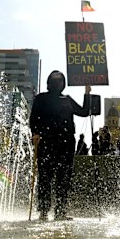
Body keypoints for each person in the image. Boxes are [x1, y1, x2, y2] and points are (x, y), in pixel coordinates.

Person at [30, 70, 92, 221]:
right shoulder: (41, 98)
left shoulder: (67, 99)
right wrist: (35, 133)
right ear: (49, 82)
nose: (57, 83)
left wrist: (87, 93)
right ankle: (43, 211)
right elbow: (33, 118)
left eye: (60, 80)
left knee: (63, 178)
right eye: (54, 80)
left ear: (63, 83)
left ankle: (60, 211)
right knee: (45, 177)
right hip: (47, 141)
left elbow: (84, 112)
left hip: (66, 143)